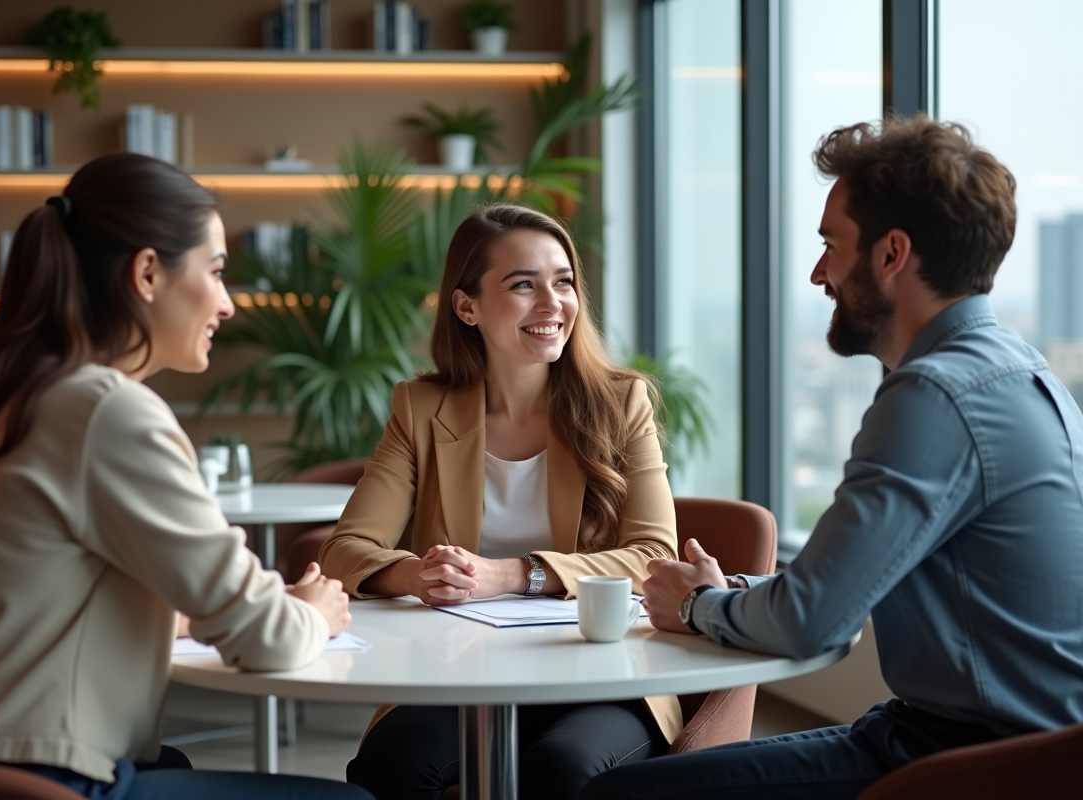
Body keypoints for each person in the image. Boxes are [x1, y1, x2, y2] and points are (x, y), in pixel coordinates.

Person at [580, 114, 1083, 800]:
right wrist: (723, 596)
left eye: (831, 245)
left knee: (619, 794)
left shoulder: (934, 396)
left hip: (979, 762)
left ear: (890, 254)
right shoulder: (1021, 371)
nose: (819, 272)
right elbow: (840, 590)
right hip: (1003, 742)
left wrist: (699, 607)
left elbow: (813, 622)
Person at [0, 153, 370, 800]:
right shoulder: (106, 411)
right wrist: (313, 611)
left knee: (174, 765)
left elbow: (48, 598)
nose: (227, 303)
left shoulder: (5, 397)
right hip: (35, 773)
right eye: (217, 272)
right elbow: (267, 639)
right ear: (146, 272)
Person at [318, 204, 680, 800]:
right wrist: (421, 574)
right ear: (467, 307)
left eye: (563, 282)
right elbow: (344, 551)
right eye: (522, 285)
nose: (552, 304)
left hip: (601, 677)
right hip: (460, 673)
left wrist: (512, 575)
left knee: (561, 769)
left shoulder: (622, 403)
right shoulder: (420, 409)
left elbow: (652, 555)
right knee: (390, 764)